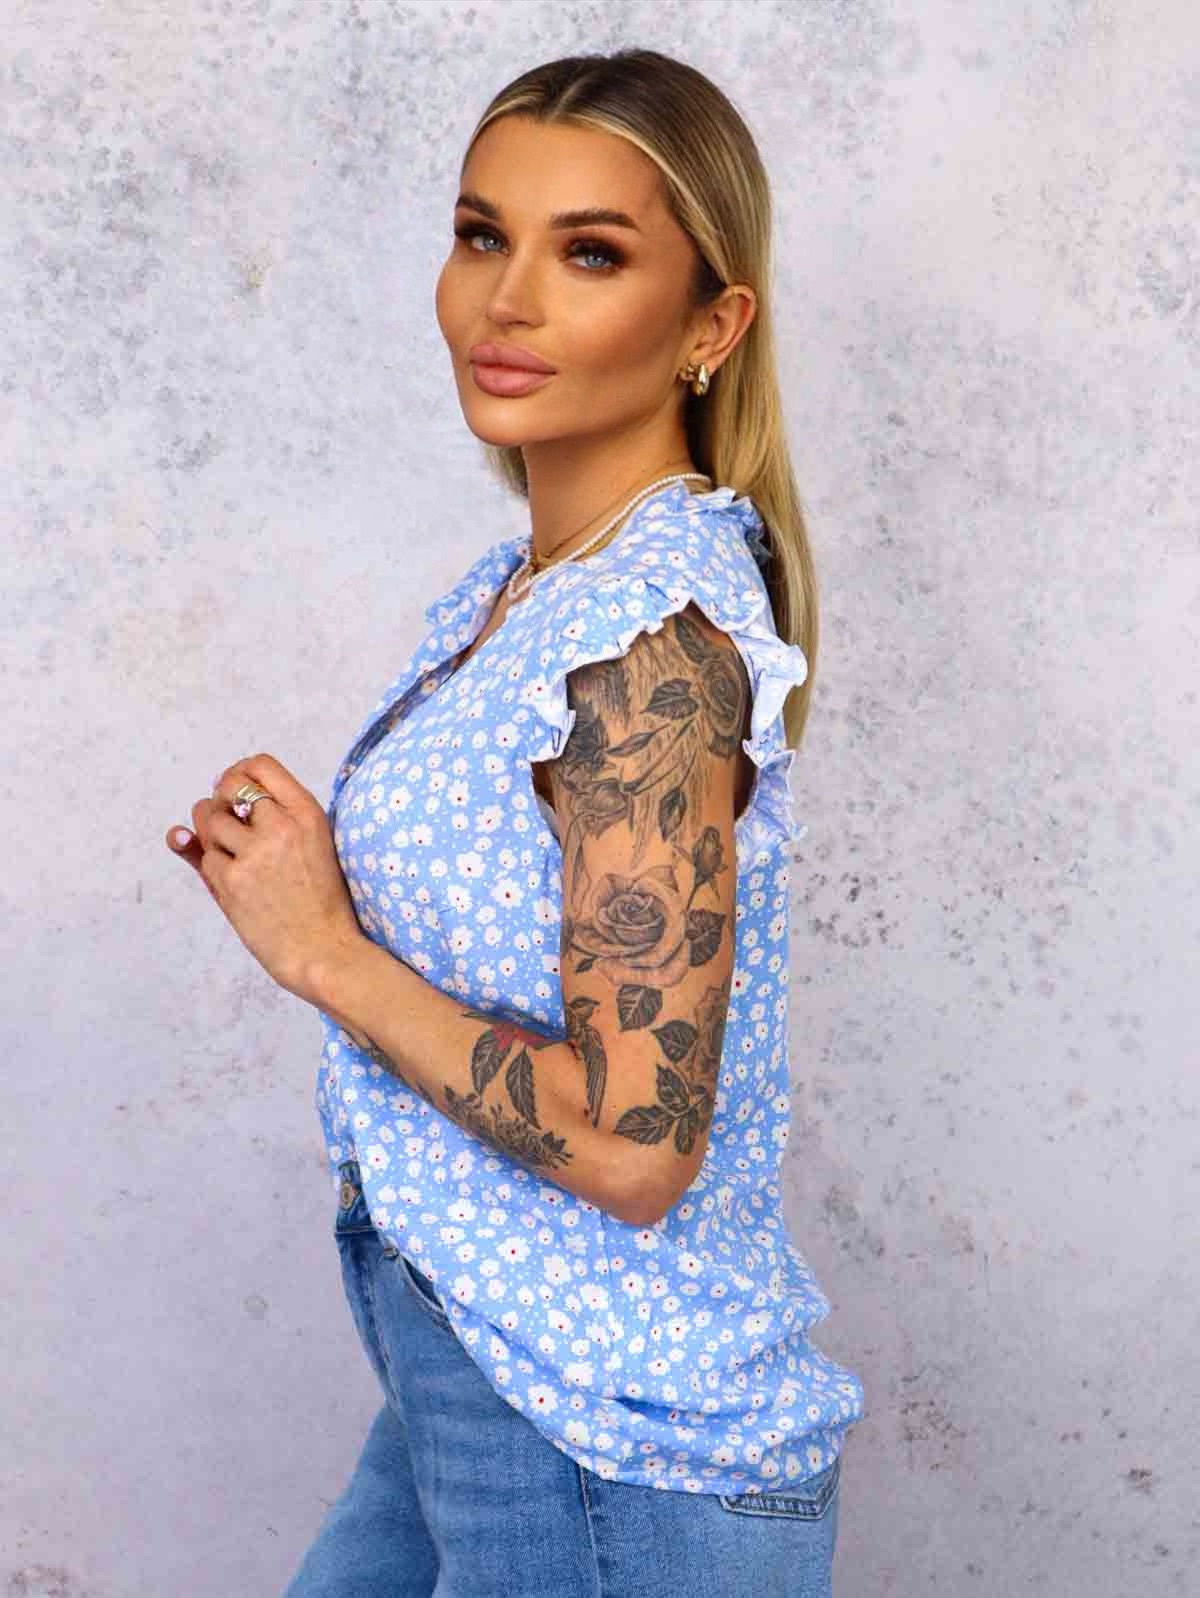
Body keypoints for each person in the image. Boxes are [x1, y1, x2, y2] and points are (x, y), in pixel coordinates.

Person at [166, 46, 865, 1598]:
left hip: (613, 1454)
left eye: (590, 253)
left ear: (711, 326)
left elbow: (634, 1146)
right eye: (483, 235)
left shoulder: (648, 645)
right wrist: (308, 873)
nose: (509, 298)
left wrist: (324, 950)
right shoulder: (524, 594)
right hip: (480, 1381)